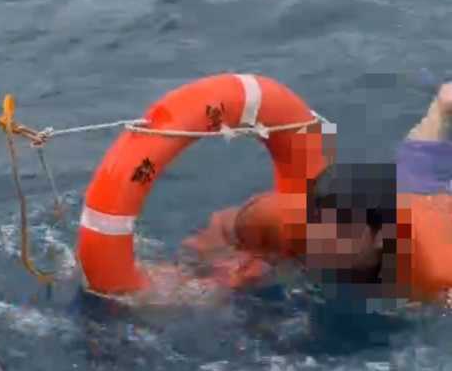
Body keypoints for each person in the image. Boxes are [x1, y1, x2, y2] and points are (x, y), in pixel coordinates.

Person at [183, 83, 452, 302]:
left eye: (341, 233)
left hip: (437, 215)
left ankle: (441, 111)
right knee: (414, 171)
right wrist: (213, 271)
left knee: (420, 179)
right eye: (320, 223)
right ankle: (444, 106)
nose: (322, 241)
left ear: (380, 239)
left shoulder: (436, 273)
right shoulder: (292, 219)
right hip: (399, 202)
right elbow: (222, 228)